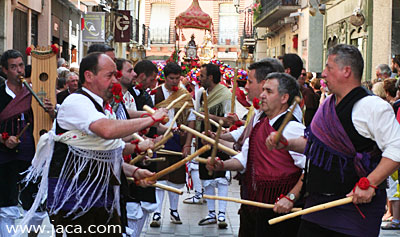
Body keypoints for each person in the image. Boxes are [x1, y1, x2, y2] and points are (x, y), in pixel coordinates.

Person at [22, 52, 168, 236]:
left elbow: (104, 153)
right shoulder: (76, 101)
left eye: (115, 75)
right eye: (109, 75)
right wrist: (151, 119)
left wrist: (135, 171)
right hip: (74, 198)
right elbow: (106, 130)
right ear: (89, 76)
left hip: (100, 196)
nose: (115, 81)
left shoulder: (100, 106)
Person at [266, 44, 400, 236]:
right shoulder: (327, 104)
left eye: (329, 68)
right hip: (316, 207)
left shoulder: (372, 106)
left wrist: (370, 183)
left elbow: (397, 147)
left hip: (353, 212)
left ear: (346, 71)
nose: (323, 74)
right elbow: (318, 148)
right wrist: (287, 143)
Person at [207, 72, 305, 237]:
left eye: (269, 91)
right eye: (263, 90)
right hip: (254, 205)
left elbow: (309, 169)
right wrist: (222, 165)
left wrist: (290, 197)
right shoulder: (260, 124)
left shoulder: (292, 128)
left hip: (280, 209)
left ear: (284, 98)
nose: (262, 95)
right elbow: (245, 159)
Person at [0, 49, 54, 236]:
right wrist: (3, 139)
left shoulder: (35, 91)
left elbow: (51, 122)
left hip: (33, 156)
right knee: (6, 204)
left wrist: (51, 111)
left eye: (21, 65)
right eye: (13, 67)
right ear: (4, 70)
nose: (19, 71)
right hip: (4, 157)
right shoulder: (0, 94)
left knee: (36, 203)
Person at [150, 62, 195, 227]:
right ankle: (156, 212)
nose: (175, 82)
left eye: (177, 78)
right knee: (159, 177)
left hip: (178, 140)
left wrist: (188, 144)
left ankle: (174, 210)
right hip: (159, 139)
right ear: (164, 77)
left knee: (176, 177)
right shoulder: (155, 94)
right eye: (171, 78)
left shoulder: (185, 95)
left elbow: (191, 121)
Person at [196, 63, 231, 228]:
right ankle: (211, 214)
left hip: (220, 138)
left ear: (210, 77)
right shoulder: (201, 93)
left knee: (220, 176)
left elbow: (230, 122)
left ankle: (222, 213)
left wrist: (207, 116)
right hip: (203, 138)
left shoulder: (225, 94)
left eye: (202, 75)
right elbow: (197, 117)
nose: (199, 78)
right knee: (206, 176)